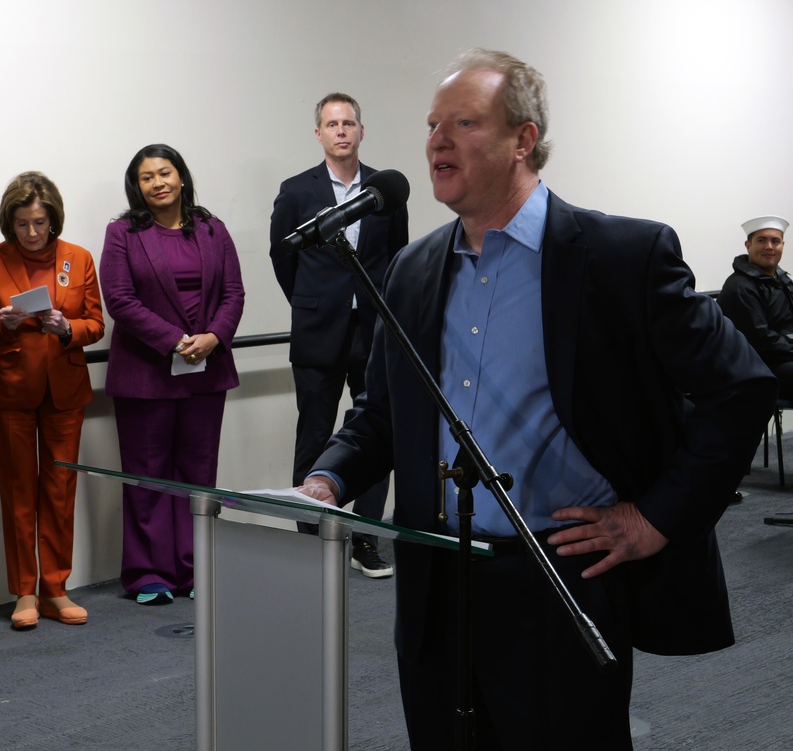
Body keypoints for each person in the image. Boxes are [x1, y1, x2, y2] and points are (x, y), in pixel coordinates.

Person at [298, 50, 777, 750]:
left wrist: (654, 518)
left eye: (463, 122)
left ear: (524, 139)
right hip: (437, 579)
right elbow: (384, 408)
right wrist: (325, 476)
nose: (436, 140)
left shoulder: (622, 256)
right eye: (433, 124)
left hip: (562, 575)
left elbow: (742, 385)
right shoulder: (412, 269)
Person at [269, 93, 408, 578]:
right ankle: (312, 541)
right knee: (314, 436)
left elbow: (397, 257)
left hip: (373, 330)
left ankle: (365, 540)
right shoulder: (296, 191)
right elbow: (282, 258)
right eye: (332, 124)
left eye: (349, 122)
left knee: (374, 434)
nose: (342, 131)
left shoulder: (384, 190)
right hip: (318, 331)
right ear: (319, 134)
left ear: (361, 131)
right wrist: (313, 303)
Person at [100, 144, 245, 605]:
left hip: (207, 371)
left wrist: (215, 336)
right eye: (147, 177)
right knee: (147, 477)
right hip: (146, 374)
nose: (158, 182)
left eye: (165, 173)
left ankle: (196, 568)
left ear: (181, 177)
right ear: (137, 187)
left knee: (199, 475)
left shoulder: (212, 229)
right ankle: (149, 575)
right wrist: (174, 341)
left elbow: (234, 293)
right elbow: (120, 299)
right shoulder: (122, 233)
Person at [0, 172, 105, 628]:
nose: (31, 233)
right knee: (19, 493)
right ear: (10, 221)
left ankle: (56, 588)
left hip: (64, 390)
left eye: (40, 223)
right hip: (10, 391)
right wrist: (1, 326)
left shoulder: (78, 258)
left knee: (60, 491)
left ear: (53, 220)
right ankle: (25, 591)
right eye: (23, 223)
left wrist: (67, 328)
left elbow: (95, 324)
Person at [718, 216, 793, 399]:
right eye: (762, 240)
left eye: (775, 241)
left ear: (782, 245)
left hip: (784, 356)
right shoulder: (739, 287)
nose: (769, 246)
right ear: (748, 245)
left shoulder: (783, 281)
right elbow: (761, 341)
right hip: (758, 366)